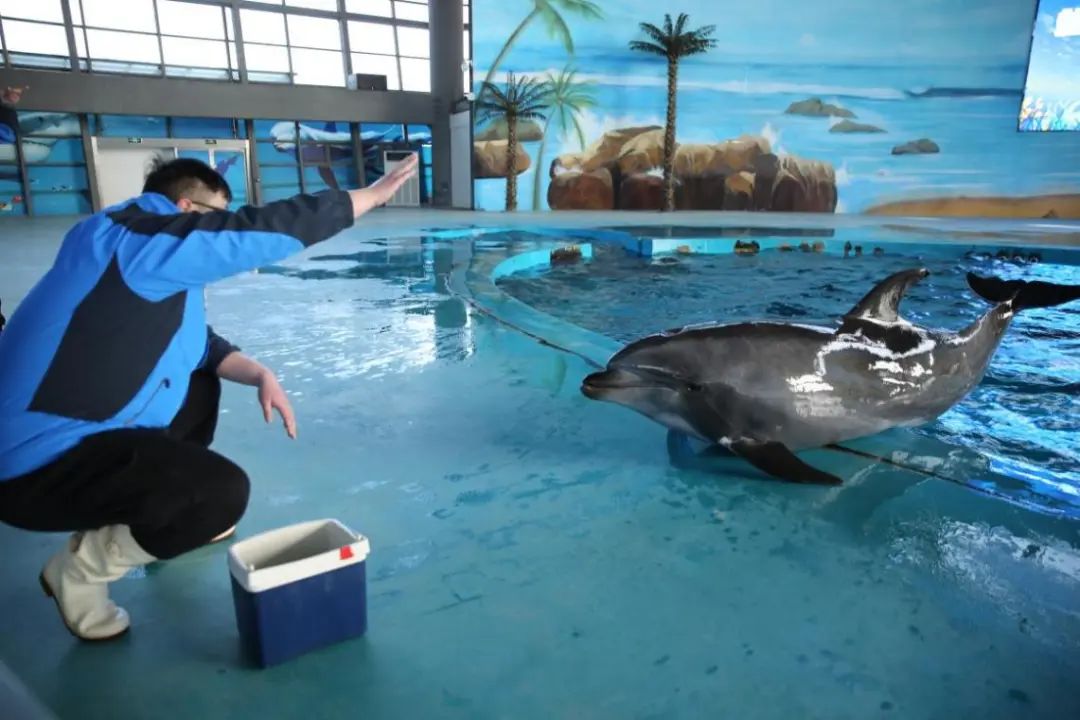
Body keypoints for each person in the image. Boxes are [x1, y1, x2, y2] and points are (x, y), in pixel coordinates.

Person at [0, 152, 419, 641]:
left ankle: (155, 515)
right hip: (31, 472)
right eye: (216, 216)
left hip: (72, 436)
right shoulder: (138, 242)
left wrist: (259, 373)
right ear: (186, 208)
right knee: (220, 494)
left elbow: (196, 345)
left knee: (201, 380)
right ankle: (78, 572)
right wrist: (366, 198)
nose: (221, 225)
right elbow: (253, 231)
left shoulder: (125, 244)